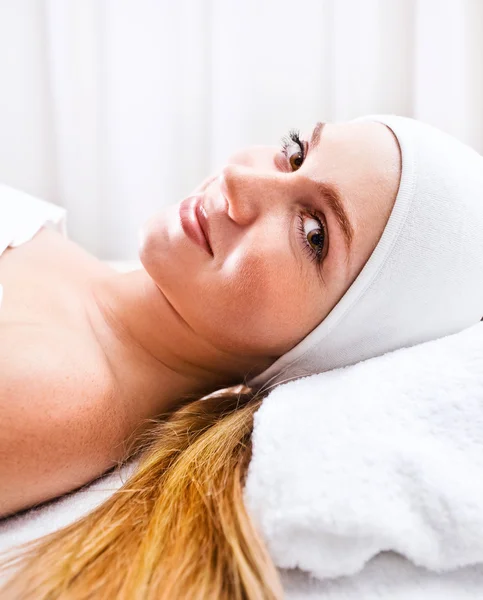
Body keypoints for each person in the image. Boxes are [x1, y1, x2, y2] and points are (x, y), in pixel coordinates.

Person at [1, 114, 482, 599]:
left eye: (313, 233)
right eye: (295, 154)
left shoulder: (57, 392)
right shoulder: (70, 269)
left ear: (324, 346)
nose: (237, 180)